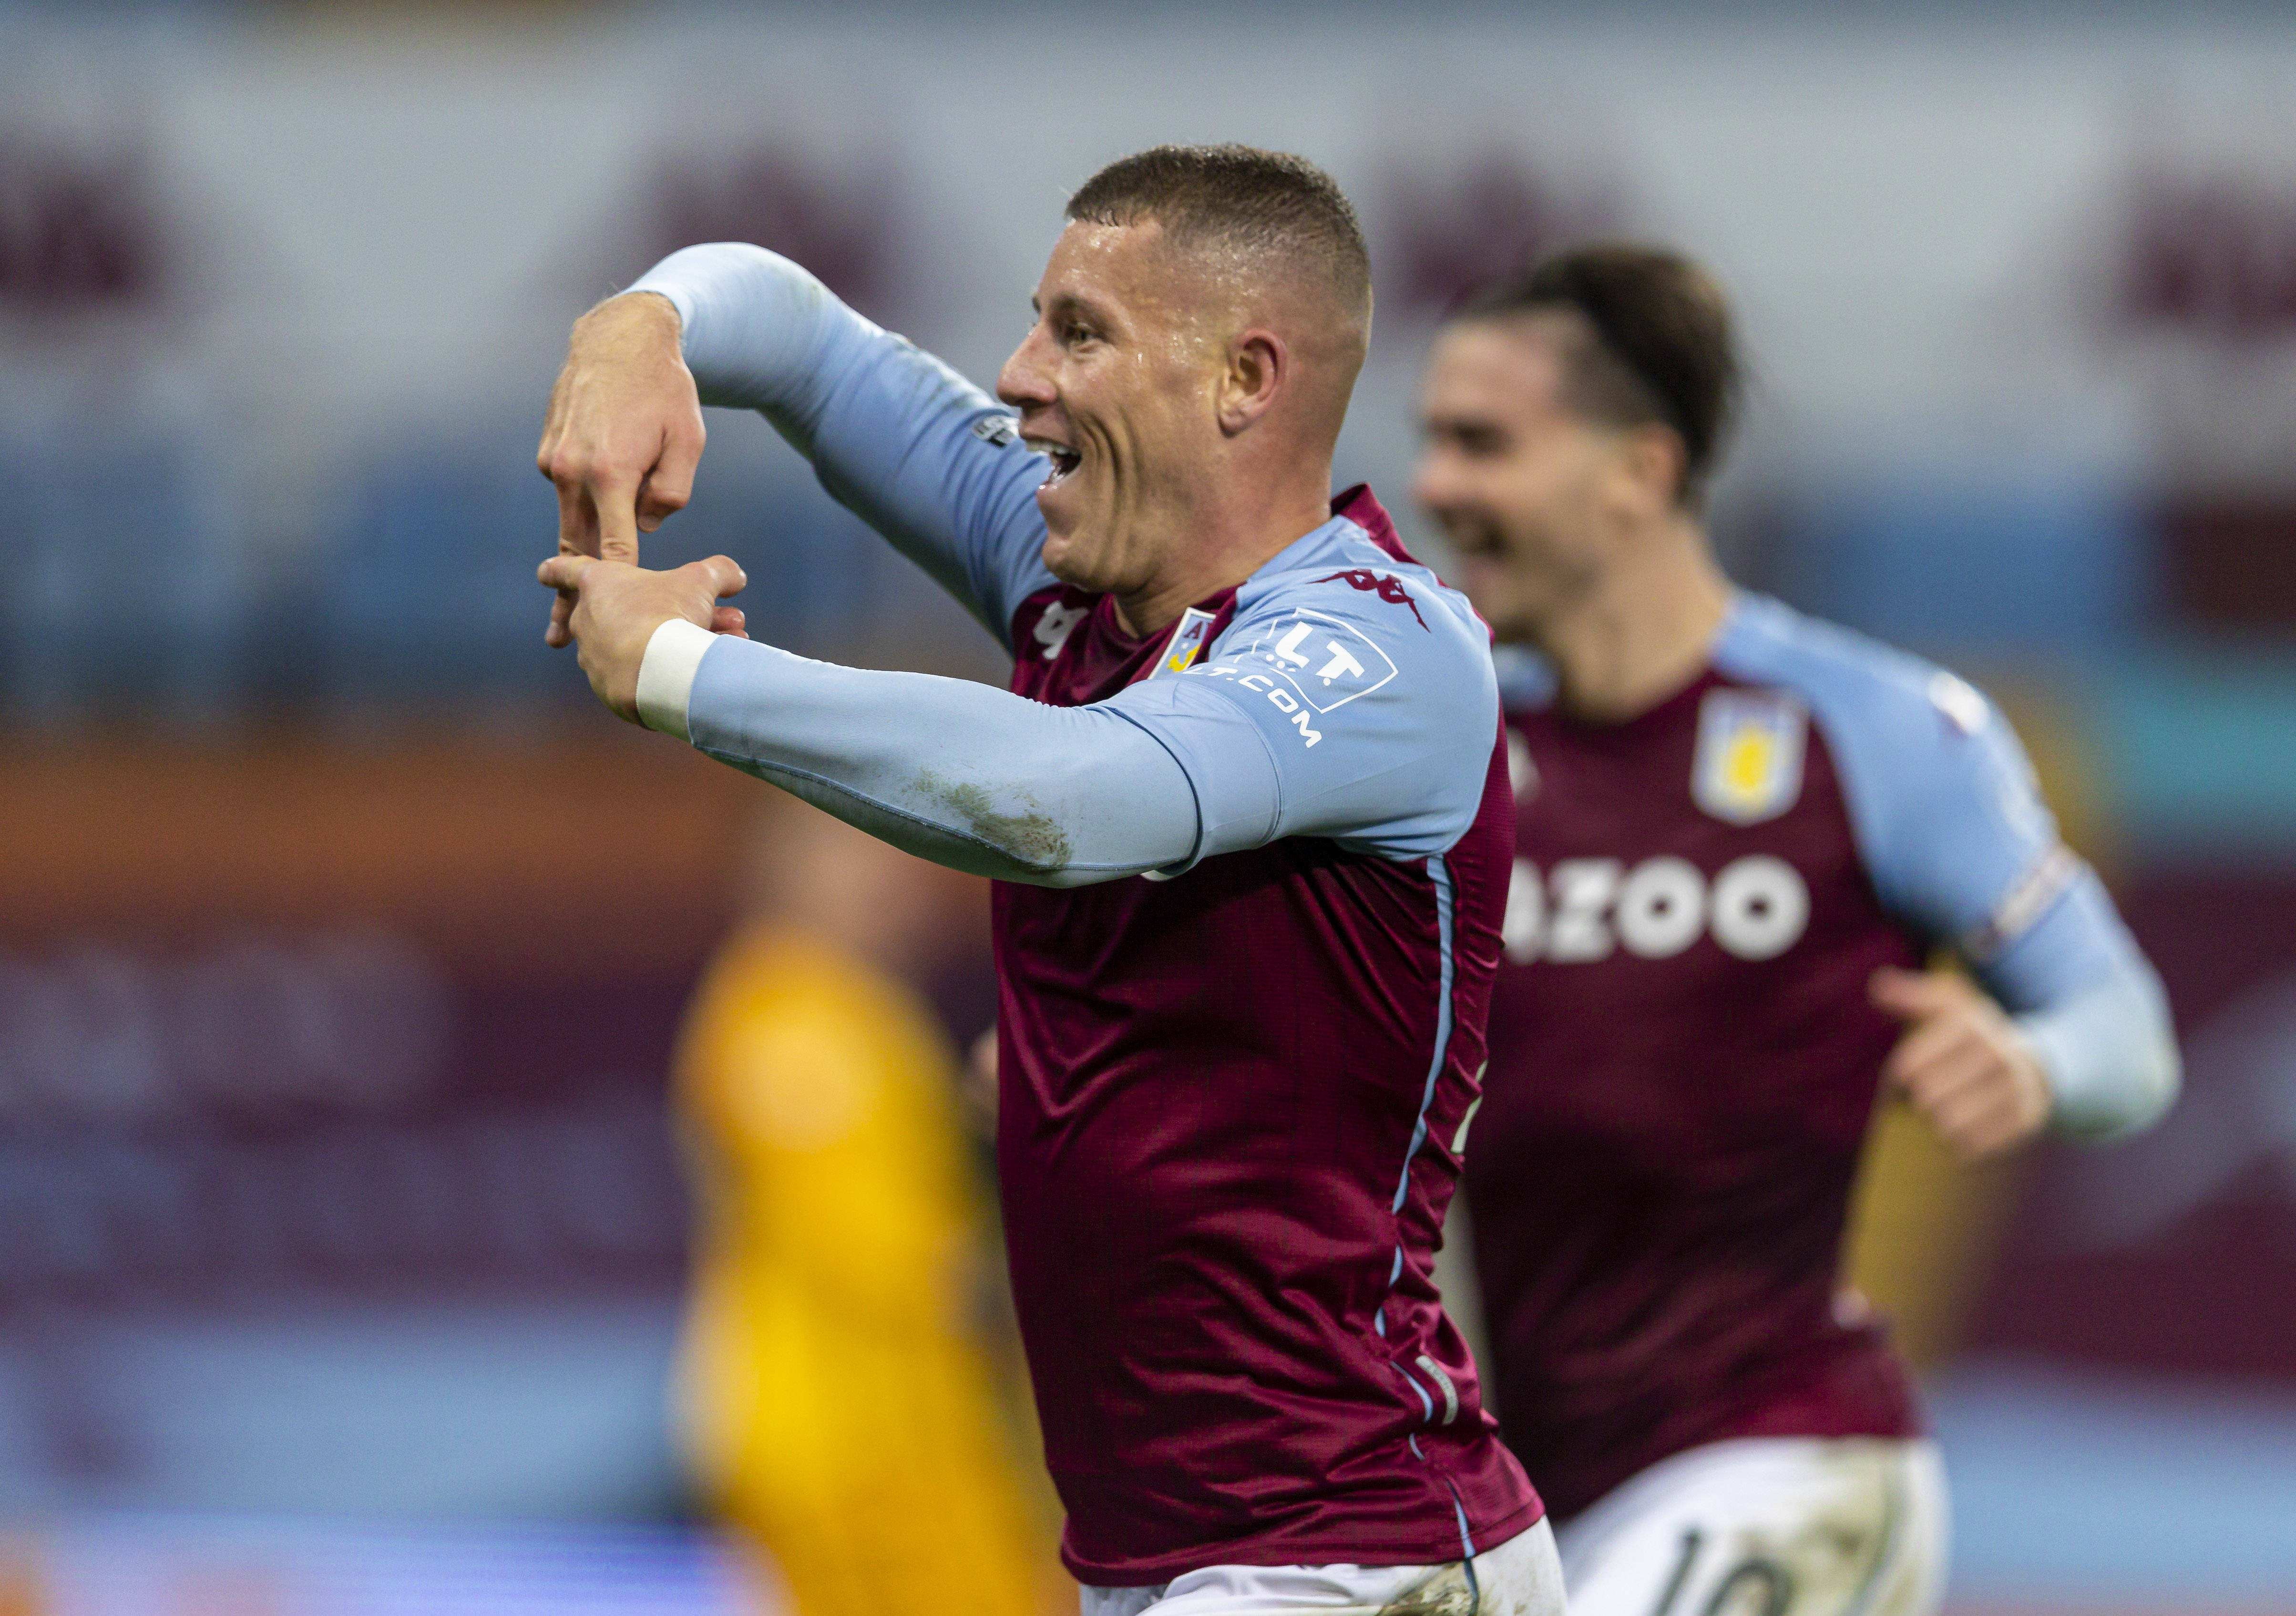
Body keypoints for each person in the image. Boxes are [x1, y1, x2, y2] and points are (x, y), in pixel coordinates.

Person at [535, 145, 1559, 1615]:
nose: (1019, 375)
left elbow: (1069, 800)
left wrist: (686, 669)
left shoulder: (1380, 650)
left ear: (1244, 377)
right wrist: (646, 321)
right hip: (1167, 1559)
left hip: (1352, 1552)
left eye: (1080, 331)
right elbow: (816, 352)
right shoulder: (1079, 587)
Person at [1412, 245, 2182, 1616]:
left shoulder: (1877, 730)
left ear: (1639, 469)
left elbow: (2128, 1032)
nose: (1439, 488)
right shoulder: (1450, 754)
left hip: (1791, 1458)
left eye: (1484, 444)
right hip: (1530, 1492)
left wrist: (2034, 1061)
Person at [674, 800, 1057, 1616]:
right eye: (867, 854)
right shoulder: (795, 1027)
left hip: (894, 1444)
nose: (904, 880)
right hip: (860, 1457)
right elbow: (913, 1273)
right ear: (784, 867)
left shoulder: (855, 1016)